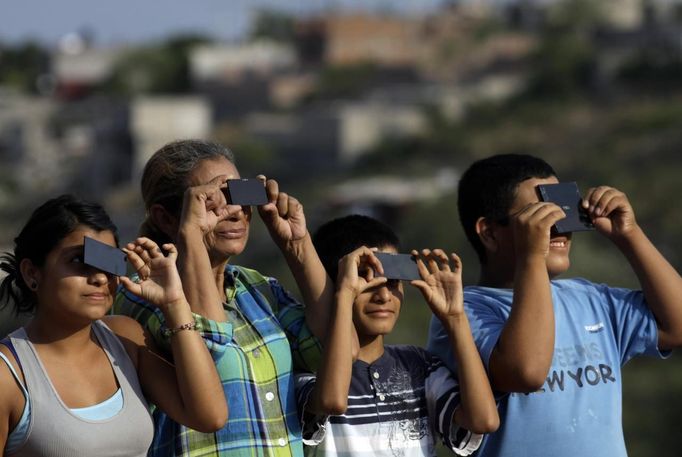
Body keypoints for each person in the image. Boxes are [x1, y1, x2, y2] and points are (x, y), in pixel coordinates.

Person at [427, 154, 682, 457]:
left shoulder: (590, 300)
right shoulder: (460, 313)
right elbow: (526, 373)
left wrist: (629, 235)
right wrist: (532, 256)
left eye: (564, 209)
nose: (560, 226)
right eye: (540, 216)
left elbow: (675, 326)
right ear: (490, 233)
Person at [113, 139, 333, 456]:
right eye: (214, 200)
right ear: (165, 218)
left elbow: (331, 349)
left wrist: (297, 246)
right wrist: (191, 236)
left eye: (240, 195)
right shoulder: (143, 293)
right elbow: (209, 343)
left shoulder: (256, 288)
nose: (235, 213)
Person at [0, 194, 227, 456]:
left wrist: (174, 303)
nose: (98, 277)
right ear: (31, 273)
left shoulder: (124, 338)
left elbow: (210, 416)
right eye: (78, 261)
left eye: (107, 263)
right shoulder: (9, 374)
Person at [296, 214, 499, 456]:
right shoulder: (311, 372)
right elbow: (331, 402)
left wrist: (455, 320)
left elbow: (484, 421)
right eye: (367, 279)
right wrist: (342, 294)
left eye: (393, 282)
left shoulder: (419, 366)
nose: (384, 296)